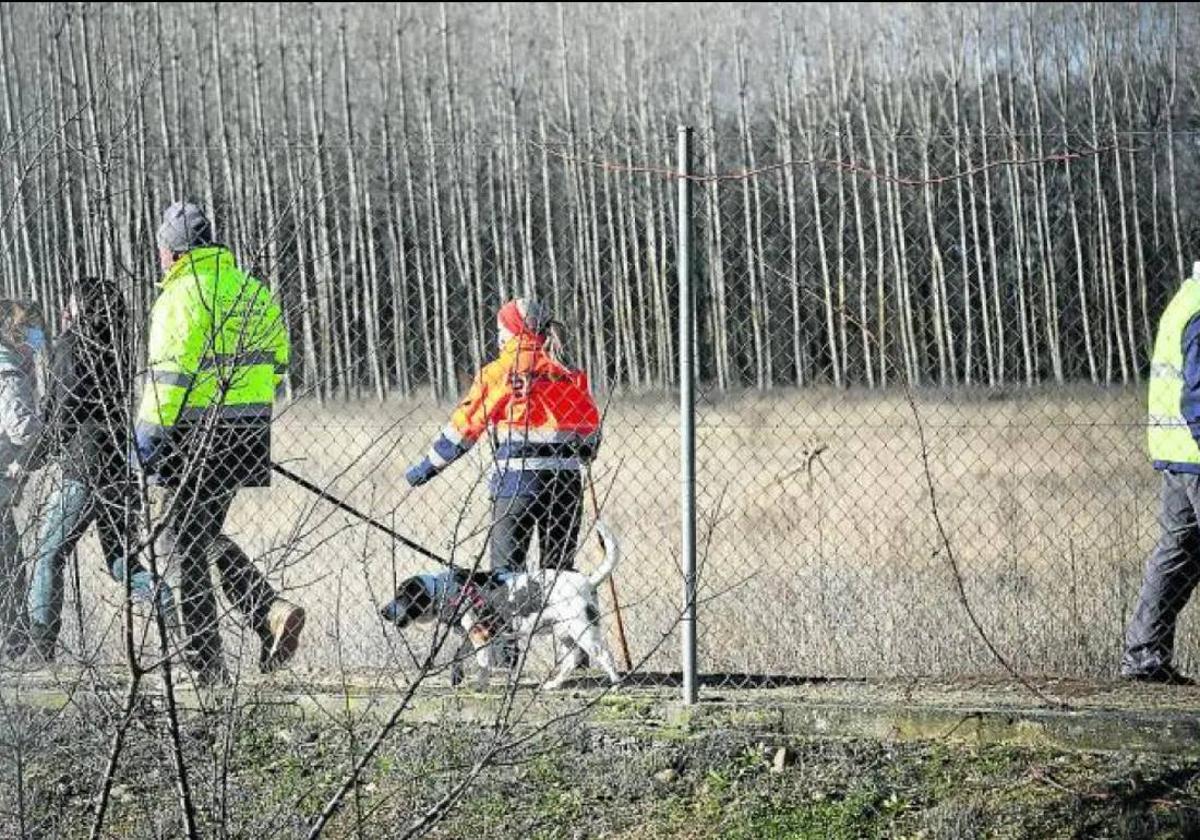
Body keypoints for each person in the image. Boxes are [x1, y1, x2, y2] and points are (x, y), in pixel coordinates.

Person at [135, 201, 304, 685]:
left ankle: (204, 667)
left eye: (163, 250)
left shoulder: (179, 298)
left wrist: (144, 444)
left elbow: (166, 382)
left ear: (173, 251)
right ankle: (267, 610)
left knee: (175, 543)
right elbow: (279, 362)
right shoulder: (250, 289)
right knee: (200, 533)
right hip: (246, 433)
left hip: (190, 437)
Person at [25, 279, 176, 663]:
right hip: (117, 464)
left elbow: (64, 411)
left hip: (85, 468)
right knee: (121, 560)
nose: (64, 307)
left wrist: (31, 457)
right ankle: (174, 613)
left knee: (47, 555)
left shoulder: (72, 345)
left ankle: (40, 651)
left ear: (81, 307)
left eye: (70, 301)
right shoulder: (113, 344)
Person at [404, 298, 602, 579]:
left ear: (513, 330)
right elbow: (591, 433)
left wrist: (424, 469)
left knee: (506, 580)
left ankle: (510, 623)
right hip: (566, 487)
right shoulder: (568, 373)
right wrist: (580, 454)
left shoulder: (499, 372)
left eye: (501, 330)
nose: (498, 337)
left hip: (517, 484)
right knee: (559, 580)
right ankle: (554, 623)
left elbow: (465, 427)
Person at [1124, 261, 1200, 685]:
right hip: (1195, 451)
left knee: (1177, 553)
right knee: (1178, 553)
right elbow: (1197, 391)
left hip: (1176, 451)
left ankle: (1144, 655)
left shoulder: (1185, 298)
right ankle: (1144, 656)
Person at [0, 300, 47, 659]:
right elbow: (23, 429)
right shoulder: (9, 374)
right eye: (30, 328)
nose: (37, 335)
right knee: (9, 570)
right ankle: (13, 644)